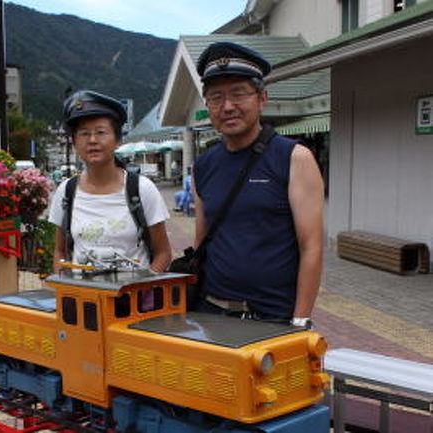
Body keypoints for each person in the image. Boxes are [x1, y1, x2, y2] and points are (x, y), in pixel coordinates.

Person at [191, 42, 324, 327]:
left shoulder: (294, 157)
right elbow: (202, 242)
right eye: (216, 98)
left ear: (262, 98)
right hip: (211, 311)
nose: (227, 107)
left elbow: (311, 246)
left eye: (238, 94)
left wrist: (300, 320)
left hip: (273, 317)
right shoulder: (203, 165)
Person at [49, 90, 172, 272]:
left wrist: (143, 292)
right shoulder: (66, 191)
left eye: (101, 132)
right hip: (84, 298)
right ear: (74, 143)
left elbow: (163, 253)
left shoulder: (141, 189)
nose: (92, 140)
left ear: (118, 140)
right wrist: (64, 286)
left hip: (134, 298)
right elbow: (60, 252)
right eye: (84, 134)